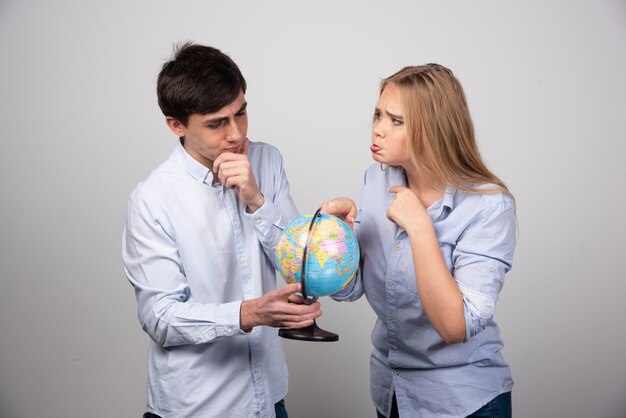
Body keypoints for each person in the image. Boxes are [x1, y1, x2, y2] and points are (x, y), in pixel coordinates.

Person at [122, 42, 321, 418]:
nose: (235, 133)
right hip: (197, 407)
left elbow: (299, 265)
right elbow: (160, 317)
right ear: (176, 125)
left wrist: (257, 200)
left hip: (269, 397)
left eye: (241, 113)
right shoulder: (152, 199)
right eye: (217, 123)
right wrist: (248, 313)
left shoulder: (267, 159)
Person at [323, 64, 516, 418]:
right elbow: (349, 290)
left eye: (396, 121)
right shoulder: (376, 180)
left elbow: (455, 326)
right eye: (378, 114)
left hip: (462, 403)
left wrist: (421, 229)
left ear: (435, 130)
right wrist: (339, 237)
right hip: (391, 393)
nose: (378, 128)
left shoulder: (488, 206)